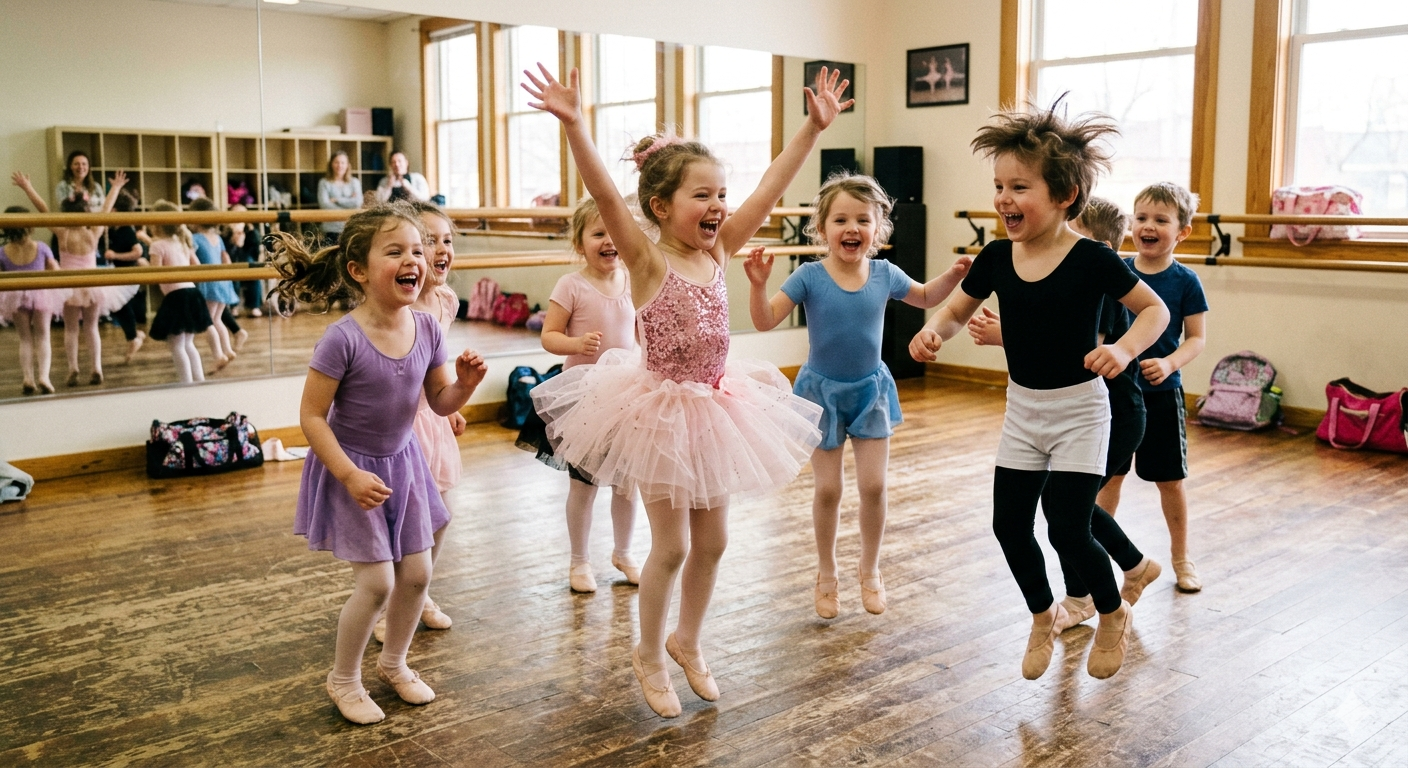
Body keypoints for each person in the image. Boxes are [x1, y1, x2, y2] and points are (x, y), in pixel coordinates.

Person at [523, 62, 849, 717]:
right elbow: (607, 198)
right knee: (669, 547)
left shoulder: (719, 250)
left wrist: (811, 132)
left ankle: (687, 640)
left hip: (718, 404)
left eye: (719, 194)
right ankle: (646, 654)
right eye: (702, 195)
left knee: (716, 542)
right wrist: (577, 127)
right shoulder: (646, 261)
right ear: (661, 206)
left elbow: (767, 187)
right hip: (660, 412)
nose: (718, 206)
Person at [908, 103, 1170, 681]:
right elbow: (955, 310)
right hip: (1023, 412)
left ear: (1065, 195)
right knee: (1008, 525)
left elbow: (1154, 310)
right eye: (998, 185)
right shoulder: (998, 257)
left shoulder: (1091, 259)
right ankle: (1041, 613)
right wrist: (933, 331)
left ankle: (1111, 612)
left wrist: (1124, 350)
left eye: (1019, 186)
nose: (1003, 198)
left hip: (1080, 412)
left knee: (1068, 527)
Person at [269, 202, 488, 725]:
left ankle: (395, 662)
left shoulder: (428, 328)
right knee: (377, 583)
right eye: (395, 251)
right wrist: (347, 473)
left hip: (404, 464)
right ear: (358, 271)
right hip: (354, 470)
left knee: (417, 573)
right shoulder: (342, 338)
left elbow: (438, 402)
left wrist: (466, 387)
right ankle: (343, 678)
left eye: (418, 250)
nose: (414, 259)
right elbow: (312, 417)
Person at [745, 172, 972, 619]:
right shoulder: (810, 276)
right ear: (823, 228)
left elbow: (926, 298)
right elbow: (765, 321)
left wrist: (954, 274)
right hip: (819, 393)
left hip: (871, 390)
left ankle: (870, 570)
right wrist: (756, 284)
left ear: (877, 228)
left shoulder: (884, 273)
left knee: (874, 485)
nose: (852, 228)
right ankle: (826, 574)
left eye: (862, 220)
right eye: (841, 219)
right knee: (828, 490)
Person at [966, 197, 1164, 633]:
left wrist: (1005, 335)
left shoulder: (1099, 279)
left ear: (1103, 250)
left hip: (1111, 409)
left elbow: (1069, 344)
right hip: (1068, 409)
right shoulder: (1047, 266)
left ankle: (1085, 596)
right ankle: (1131, 567)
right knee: (1062, 508)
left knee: (1065, 512)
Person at [516, 197, 641, 594]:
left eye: (613, 233)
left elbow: (642, 335)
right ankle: (579, 560)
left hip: (626, 394)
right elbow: (548, 335)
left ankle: (623, 552)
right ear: (580, 242)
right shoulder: (571, 285)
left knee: (627, 482)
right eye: (598, 233)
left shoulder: (634, 280)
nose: (608, 241)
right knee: (583, 484)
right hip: (584, 398)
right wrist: (575, 344)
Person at [1096, 182, 1209, 593]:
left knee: (1170, 482)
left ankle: (1181, 557)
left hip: (1162, 397)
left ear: (1182, 231)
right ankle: (1102, 558)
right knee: (1108, 480)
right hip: (1117, 397)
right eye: (1141, 217)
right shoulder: (1118, 271)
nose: (1148, 226)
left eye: (1161, 220)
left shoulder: (1186, 281)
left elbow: (1196, 338)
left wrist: (1169, 362)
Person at [371, 200, 463, 644]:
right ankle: (386, 598)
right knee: (402, 519)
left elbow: (435, 370)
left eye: (447, 240)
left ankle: (418, 589)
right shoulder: (395, 308)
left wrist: (453, 402)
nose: (440, 249)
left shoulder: (446, 301)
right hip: (398, 427)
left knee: (440, 515)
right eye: (429, 241)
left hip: (433, 421)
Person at [12, 170, 133, 386]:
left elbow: (43, 210)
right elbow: (106, 210)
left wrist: (28, 187)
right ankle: (96, 367)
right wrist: (115, 188)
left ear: (66, 215)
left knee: (71, 329)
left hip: (69, 285)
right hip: (92, 283)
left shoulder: (62, 232)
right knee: (92, 327)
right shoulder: (93, 231)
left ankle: (73, 367)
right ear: (86, 214)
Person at [0, 206, 67, 395]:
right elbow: (56, 272)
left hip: (14, 295)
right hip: (40, 294)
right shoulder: (41, 248)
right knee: (43, 336)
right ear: (31, 226)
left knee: (25, 338)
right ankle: (44, 377)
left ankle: (28, 378)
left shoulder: (3, 252)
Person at [145, 201, 213, 384]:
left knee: (176, 345)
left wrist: (144, 266)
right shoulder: (181, 241)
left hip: (176, 296)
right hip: (191, 292)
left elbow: (155, 274)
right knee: (188, 343)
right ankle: (199, 380)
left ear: (156, 224)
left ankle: (186, 382)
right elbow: (196, 265)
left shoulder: (157, 245)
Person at [188, 197, 243, 369]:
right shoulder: (216, 237)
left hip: (210, 283)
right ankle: (227, 350)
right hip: (222, 281)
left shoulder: (195, 238)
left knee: (208, 322)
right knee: (217, 319)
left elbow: (193, 259)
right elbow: (225, 257)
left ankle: (218, 354)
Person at [104, 190, 148, 363]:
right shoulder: (115, 229)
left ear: (116, 211)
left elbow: (138, 252)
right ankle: (134, 335)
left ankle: (134, 337)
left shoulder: (126, 230)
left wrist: (115, 256)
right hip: (120, 273)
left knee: (118, 304)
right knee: (118, 306)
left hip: (129, 273)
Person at [222, 205, 264, 317]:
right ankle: (233, 306)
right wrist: (233, 242)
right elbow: (223, 251)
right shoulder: (225, 231)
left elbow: (255, 251)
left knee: (253, 271)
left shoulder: (251, 231)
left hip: (246, 261)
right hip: (231, 261)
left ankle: (254, 306)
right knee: (234, 273)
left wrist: (242, 243)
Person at [318, 151, 362, 245]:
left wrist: (337, 200)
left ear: (347, 165)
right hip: (331, 229)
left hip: (351, 227)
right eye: (336, 162)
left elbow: (357, 202)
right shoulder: (324, 182)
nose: (340, 165)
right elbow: (325, 205)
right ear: (331, 164)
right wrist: (349, 203)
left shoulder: (354, 182)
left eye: (343, 162)